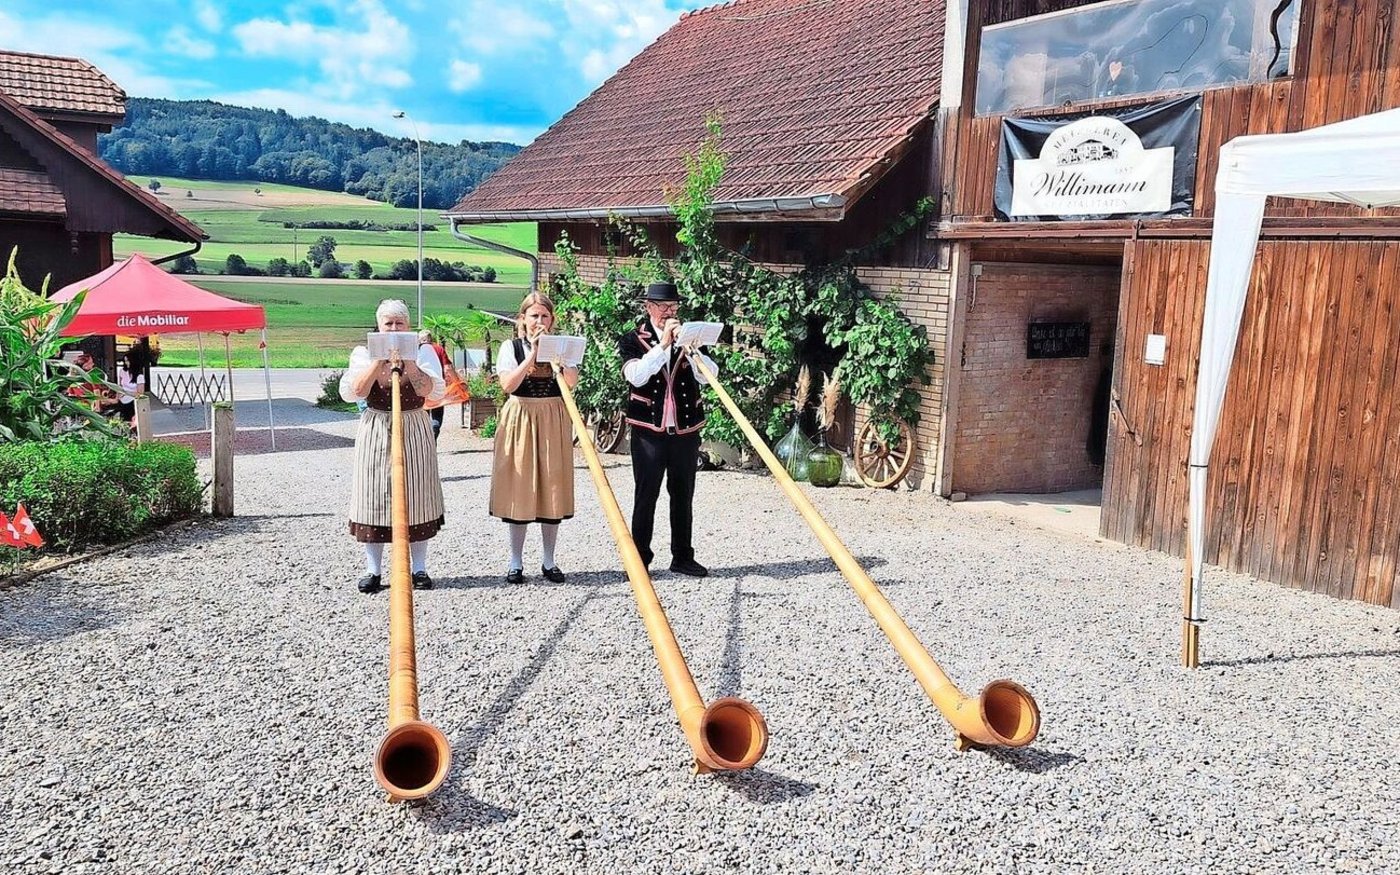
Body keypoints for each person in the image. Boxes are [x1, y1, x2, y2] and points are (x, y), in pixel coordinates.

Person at [339, 299, 446, 594]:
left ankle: (419, 568)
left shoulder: (423, 352)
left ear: (408, 327)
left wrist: (409, 363)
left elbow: (430, 391)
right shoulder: (362, 353)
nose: (394, 328)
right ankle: (373, 570)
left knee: (417, 492)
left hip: (413, 423)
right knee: (374, 492)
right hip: (377, 426)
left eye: (400, 324)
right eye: (389, 324)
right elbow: (355, 392)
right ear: (379, 326)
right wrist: (378, 360)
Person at [619, 281, 717, 578]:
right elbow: (635, 376)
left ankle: (683, 557)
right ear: (648, 307)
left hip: (685, 429)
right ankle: (640, 560)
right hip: (648, 430)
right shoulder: (633, 339)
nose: (669, 313)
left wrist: (692, 352)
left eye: (674, 307)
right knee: (646, 495)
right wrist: (662, 347)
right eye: (663, 307)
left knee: (683, 494)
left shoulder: (691, 340)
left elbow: (709, 377)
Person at [489, 292, 578, 584]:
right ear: (522, 320)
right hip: (522, 415)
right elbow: (507, 384)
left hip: (552, 415)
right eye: (533, 316)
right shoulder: (510, 347)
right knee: (520, 484)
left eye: (544, 316)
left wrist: (558, 356)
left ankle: (549, 560)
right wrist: (532, 354)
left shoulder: (561, 347)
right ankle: (515, 561)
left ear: (552, 320)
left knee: (552, 485)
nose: (539, 321)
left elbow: (571, 383)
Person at [418, 329, 455, 440]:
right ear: (431, 338)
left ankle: (424, 439)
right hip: (438, 386)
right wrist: (455, 381)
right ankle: (434, 429)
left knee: (422, 414)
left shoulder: (417, 350)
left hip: (421, 387)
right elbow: (447, 368)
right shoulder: (439, 349)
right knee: (437, 413)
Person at [114, 350, 145, 427]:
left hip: (132, 401)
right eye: (125, 361)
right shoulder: (122, 371)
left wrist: (126, 392)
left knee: (131, 422)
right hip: (122, 400)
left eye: (128, 361)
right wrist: (117, 396)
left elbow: (140, 394)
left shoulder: (139, 376)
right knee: (122, 422)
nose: (126, 363)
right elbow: (120, 385)